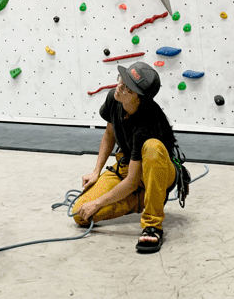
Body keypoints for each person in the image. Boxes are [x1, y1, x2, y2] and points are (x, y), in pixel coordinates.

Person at [72, 62, 180, 253]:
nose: (119, 87)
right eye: (121, 80)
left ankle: (153, 225)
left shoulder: (149, 123)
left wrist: (98, 202)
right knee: (80, 214)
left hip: (157, 171)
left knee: (153, 147)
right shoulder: (115, 98)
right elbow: (109, 134)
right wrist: (96, 172)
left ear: (140, 99)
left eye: (127, 88)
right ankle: (142, 199)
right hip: (127, 167)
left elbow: (131, 182)